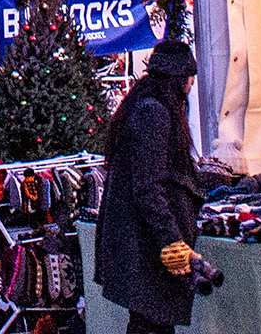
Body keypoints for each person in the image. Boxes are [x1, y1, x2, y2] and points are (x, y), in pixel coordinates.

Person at [94, 40, 203, 334]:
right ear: (178, 78)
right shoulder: (153, 113)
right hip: (146, 246)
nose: (192, 84)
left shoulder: (146, 107)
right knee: (151, 324)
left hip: (143, 242)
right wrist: (172, 240)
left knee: (150, 323)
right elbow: (148, 187)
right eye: (189, 77)